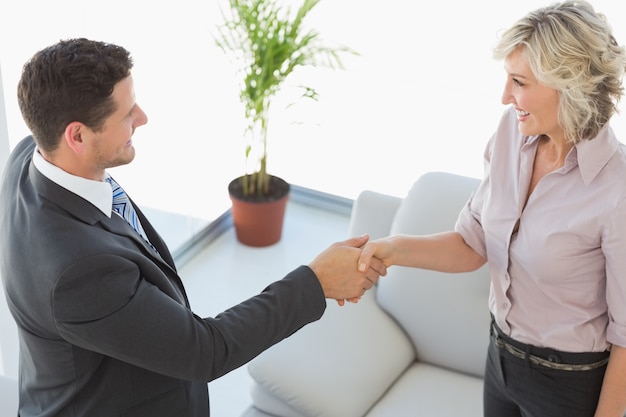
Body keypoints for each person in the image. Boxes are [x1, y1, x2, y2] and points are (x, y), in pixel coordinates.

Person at [0, 38, 385, 417]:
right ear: (77, 135)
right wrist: (317, 282)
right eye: (127, 113)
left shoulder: (30, 158)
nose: (143, 118)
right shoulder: (79, 270)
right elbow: (204, 351)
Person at [357, 1, 626, 416]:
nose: (505, 96)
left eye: (520, 82)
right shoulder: (510, 135)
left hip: (571, 385)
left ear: (568, 84)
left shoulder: (616, 189)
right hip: (499, 359)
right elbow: (474, 241)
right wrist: (391, 249)